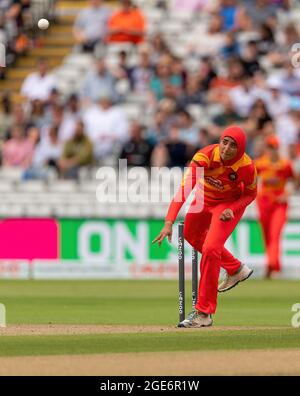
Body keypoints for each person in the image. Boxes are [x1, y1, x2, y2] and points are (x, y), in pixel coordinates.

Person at [152, 126, 257, 327]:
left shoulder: (247, 167)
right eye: (224, 142)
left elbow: (251, 194)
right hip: (203, 199)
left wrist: (234, 208)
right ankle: (236, 269)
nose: (226, 149)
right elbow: (185, 190)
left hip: (227, 206)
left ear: (241, 148)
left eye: (233, 145)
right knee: (192, 235)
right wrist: (168, 222)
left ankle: (204, 313)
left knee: (210, 249)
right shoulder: (204, 157)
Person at [255, 135, 299, 278]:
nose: (272, 150)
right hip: (264, 202)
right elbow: (251, 177)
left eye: (274, 147)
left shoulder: (285, 164)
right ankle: (273, 265)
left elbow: (295, 179)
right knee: (267, 234)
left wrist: (288, 194)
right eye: (270, 147)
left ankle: (272, 265)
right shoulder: (261, 163)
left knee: (275, 233)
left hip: (279, 203)